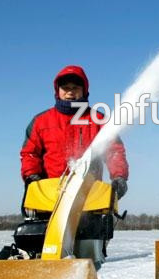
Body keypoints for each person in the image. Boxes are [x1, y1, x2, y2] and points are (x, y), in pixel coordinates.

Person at [20, 65, 129, 268]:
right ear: (57, 91)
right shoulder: (41, 121)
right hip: (49, 197)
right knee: (42, 253)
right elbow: (30, 153)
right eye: (66, 87)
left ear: (85, 91)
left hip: (89, 198)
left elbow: (115, 151)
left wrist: (119, 177)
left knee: (87, 257)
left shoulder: (98, 120)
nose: (70, 91)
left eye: (75, 87)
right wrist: (31, 177)